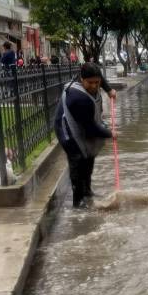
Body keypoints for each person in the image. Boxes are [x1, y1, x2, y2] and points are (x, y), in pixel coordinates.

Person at [54, 63, 118, 208]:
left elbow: (99, 76)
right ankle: (78, 202)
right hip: (66, 129)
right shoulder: (78, 98)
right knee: (77, 159)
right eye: (90, 83)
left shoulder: (90, 78)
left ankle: (87, 191)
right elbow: (90, 128)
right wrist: (110, 133)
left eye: (97, 82)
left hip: (83, 124)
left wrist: (109, 90)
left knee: (89, 155)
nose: (95, 86)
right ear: (82, 79)